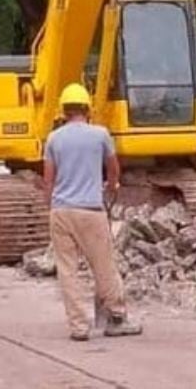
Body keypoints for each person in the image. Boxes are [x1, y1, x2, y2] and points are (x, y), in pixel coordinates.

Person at [42, 82, 143, 341]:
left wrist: (51, 206)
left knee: (68, 271)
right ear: (87, 108)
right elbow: (113, 169)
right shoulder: (100, 135)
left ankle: (78, 327)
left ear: (63, 110)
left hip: (61, 211)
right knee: (103, 266)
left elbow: (48, 180)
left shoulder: (53, 139)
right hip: (90, 210)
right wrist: (111, 186)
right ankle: (117, 318)